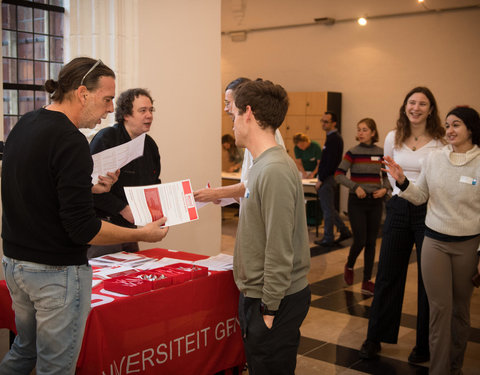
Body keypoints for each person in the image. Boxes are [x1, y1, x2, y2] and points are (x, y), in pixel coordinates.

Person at [0, 57, 168, 375]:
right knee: (56, 367)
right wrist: (142, 233)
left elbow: (37, 189)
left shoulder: (26, 123)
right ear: (82, 93)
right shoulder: (71, 139)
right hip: (54, 273)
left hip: (15, 264)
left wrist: (90, 190)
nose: (108, 110)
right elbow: (84, 229)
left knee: (24, 352)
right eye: (106, 100)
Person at [383, 106, 480, 375]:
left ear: (471, 128)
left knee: (460, 311)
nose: (449, 130)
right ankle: (438, 370)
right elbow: (420, 195)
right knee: (439, 310)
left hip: (468, 247)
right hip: (434, 243)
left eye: (456, 125)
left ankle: (455, 366)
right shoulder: (435, 159)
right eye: (447, 125)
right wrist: (402, 181)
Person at [359, 86, 445, 364]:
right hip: (398, 207)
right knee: (387, 274)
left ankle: (424, 345)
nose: (416, 108)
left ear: (430, 109)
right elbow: (391, 174)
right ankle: (374, 337)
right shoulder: (393, 137)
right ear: (404, 107)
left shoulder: (440, 141)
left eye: (422, 104)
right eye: (412, 103)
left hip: (428, 210)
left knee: (426, 280)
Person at [231, 79, 311, 375]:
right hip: (263, 295)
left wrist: (269, 309)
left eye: (234, 115)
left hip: (273, 300)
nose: (233, 124)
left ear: (248, 113)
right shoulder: (263, 164)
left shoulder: (274, 169)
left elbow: (279, 246)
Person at [88, 88, 161, 258]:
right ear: (126, 114)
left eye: (151, 110)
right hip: (104, 225)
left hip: (131, 226)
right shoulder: (107, 138)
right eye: (143, 111)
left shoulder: (149, 145)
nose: (149, 115)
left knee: (133, 276)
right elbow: (90, 186)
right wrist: (122, 208)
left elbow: (154, 182)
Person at [194, 77, 285, 206]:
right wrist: (224, 197)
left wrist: (217, 193)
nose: (226, 109)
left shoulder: (267, 139)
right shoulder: (248, 140)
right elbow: (250, 187)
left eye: (228, 103)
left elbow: (258, 184)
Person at [334, 118, 391, 296]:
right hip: (356, 202)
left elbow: (389, 177)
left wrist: (385, 189)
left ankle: (367, 281)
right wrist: (355, 187)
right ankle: (349, 265)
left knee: (371, 242)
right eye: (359, 129)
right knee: (360, 239)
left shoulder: (382, 153)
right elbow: (338, 175)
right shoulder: (352, 152)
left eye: (364, 130)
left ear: (373, 133)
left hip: (375, 201)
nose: (360, 133)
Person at [314, 111, 352, 247]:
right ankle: (344, 230)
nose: (323, 124)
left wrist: (321, 179)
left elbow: (330, 163)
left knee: (327, 210)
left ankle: (328, 237)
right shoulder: (331, 137)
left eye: (326, 121)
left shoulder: (334, 139)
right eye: (322, 121)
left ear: (334, 123)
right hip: (328, 177)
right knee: (330, 207)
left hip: (328, 178)